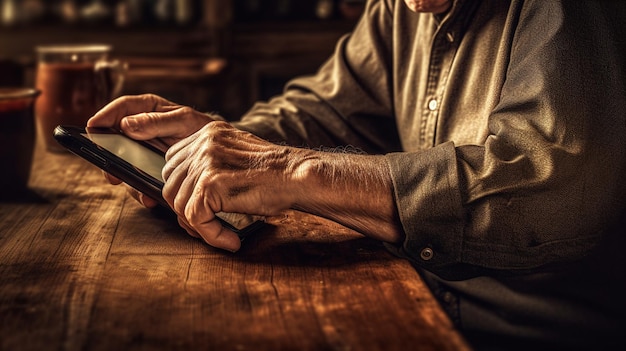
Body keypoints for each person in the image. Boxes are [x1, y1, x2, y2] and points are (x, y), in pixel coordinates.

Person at [88, 0, 626, 349]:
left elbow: (547, 188)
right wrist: (219, 141)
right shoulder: (401, 7)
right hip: (416, 304)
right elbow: (328, 107)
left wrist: (294, 169)